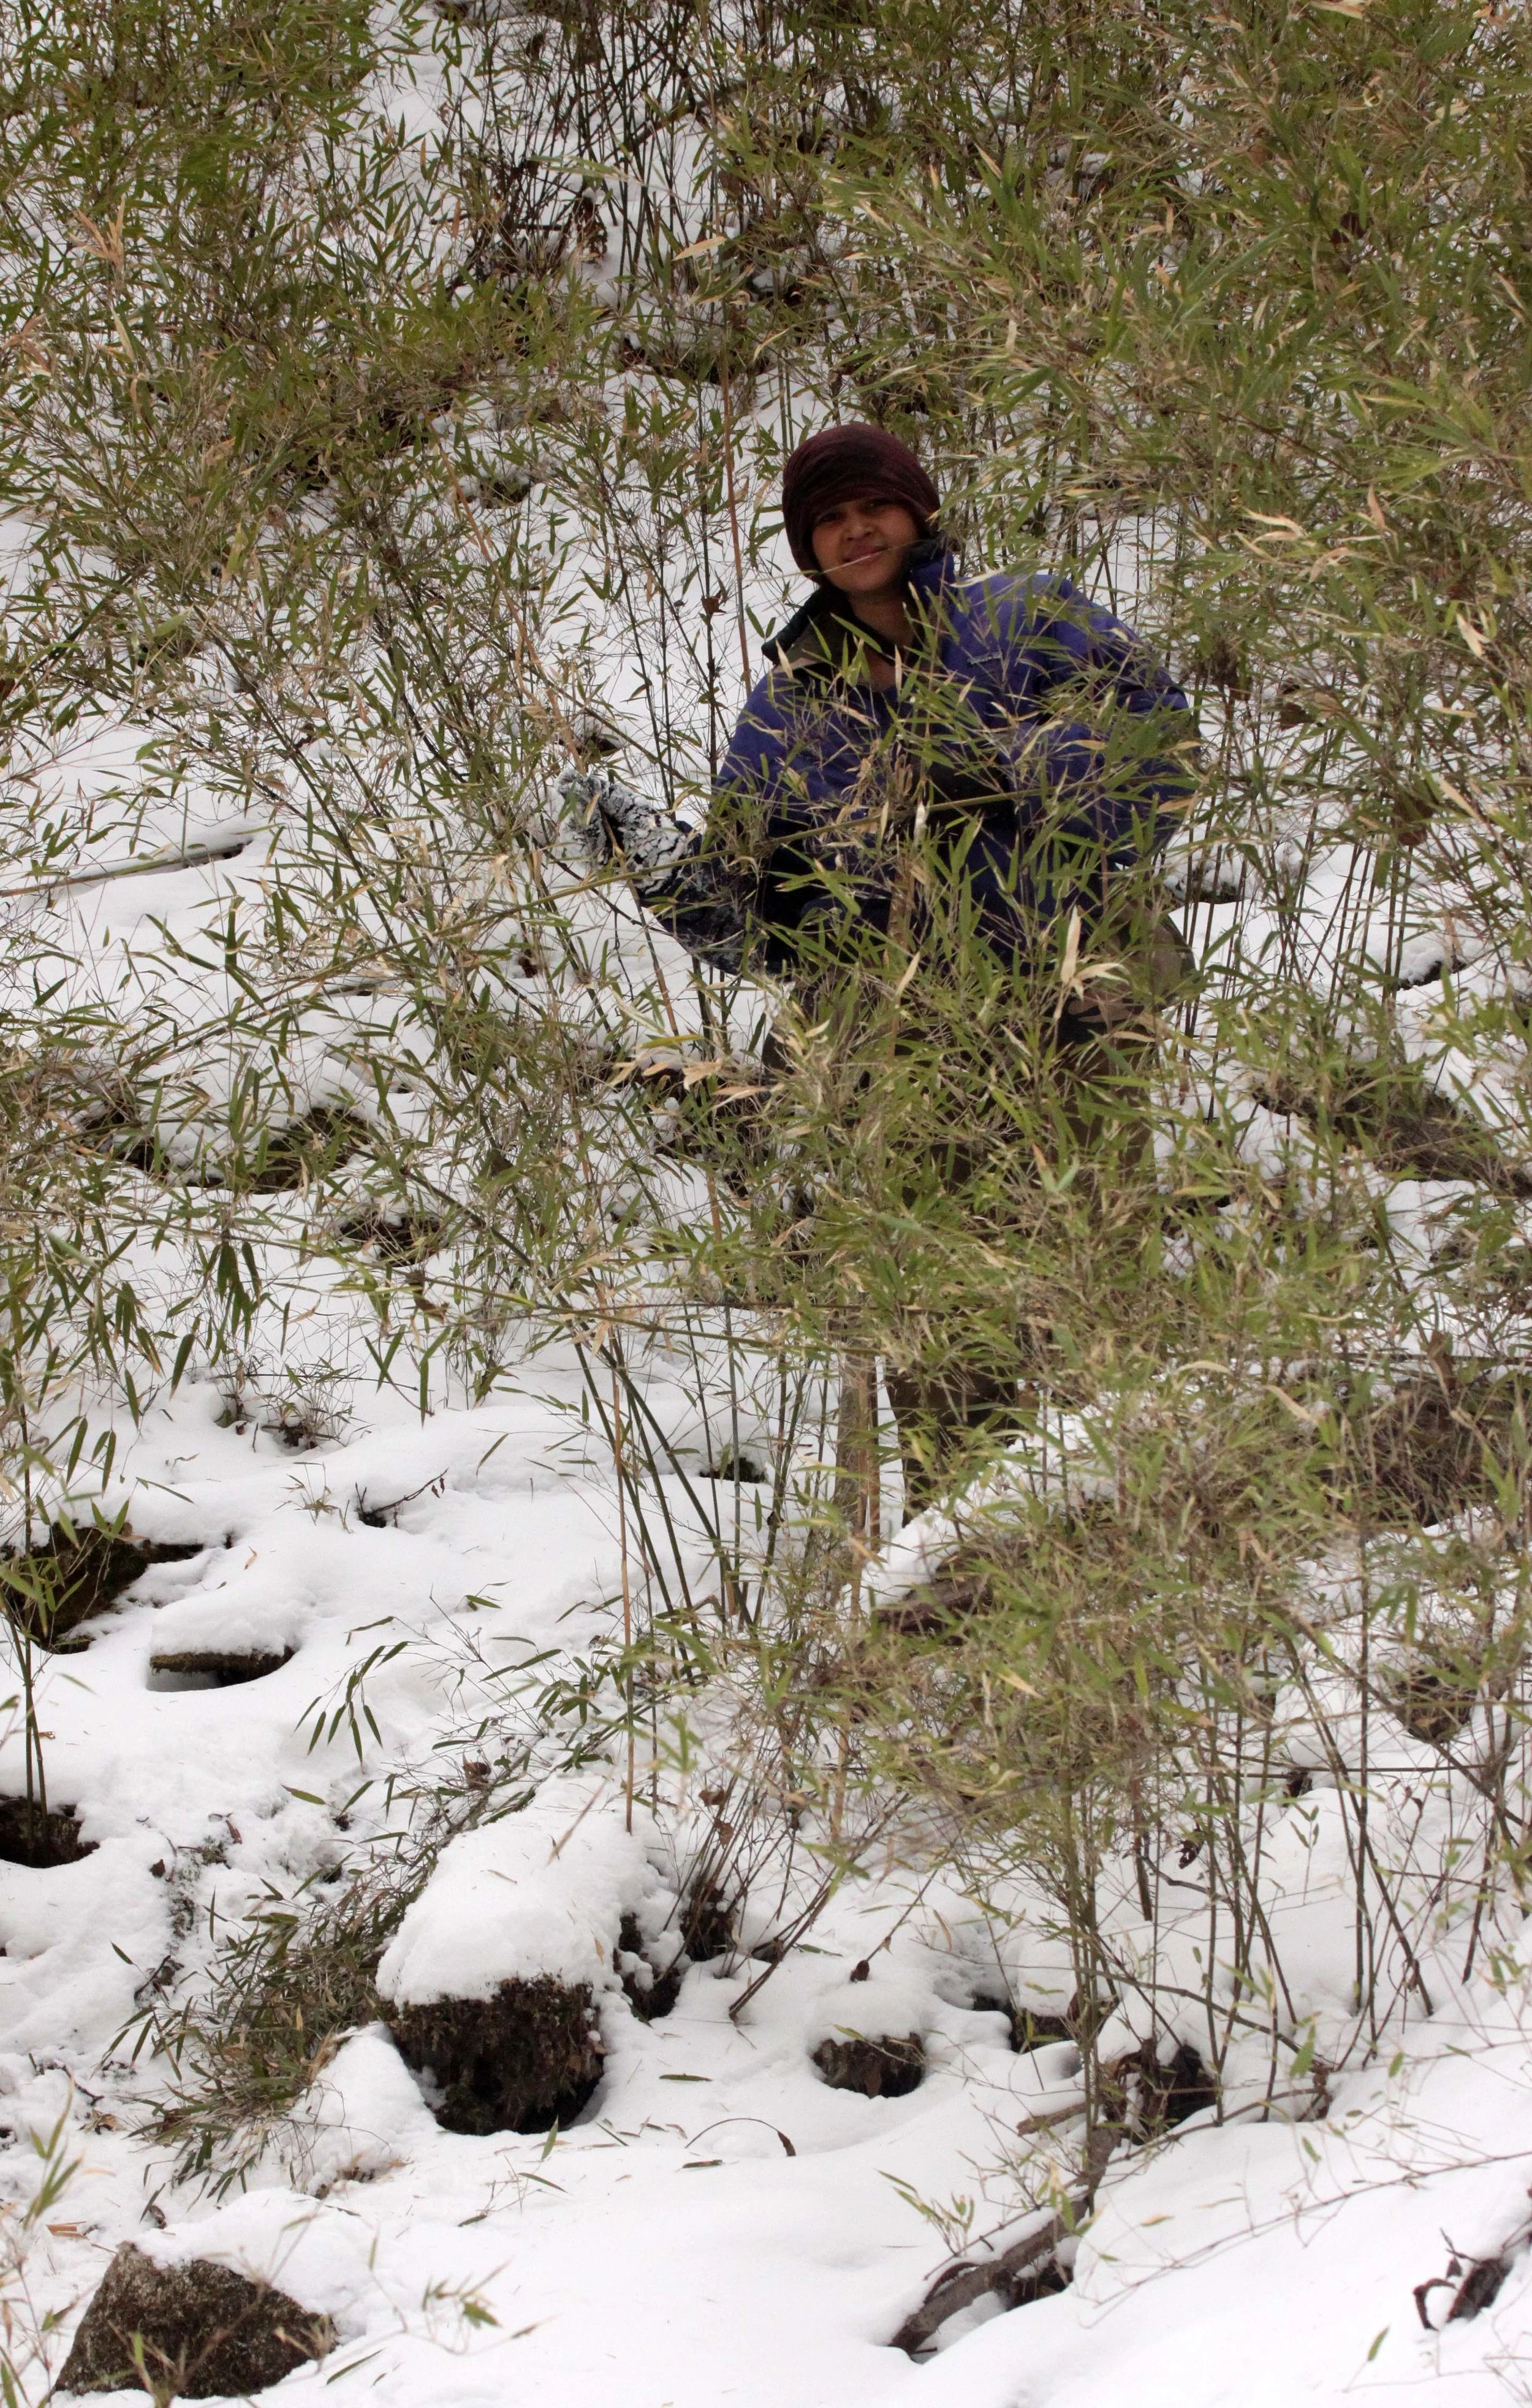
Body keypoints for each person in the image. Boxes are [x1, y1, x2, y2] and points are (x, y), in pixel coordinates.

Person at [563, 422, 1196, 1513]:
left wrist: (999, 769)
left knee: (1096, 1257)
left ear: (920, 511)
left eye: (874, 508)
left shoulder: (1025, 616)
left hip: (1073, 997)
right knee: (938, 1289)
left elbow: (1162, 750)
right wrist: (657, 867)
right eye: (828, 520)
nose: (856, 530)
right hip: (903, 1037)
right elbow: (748, 922)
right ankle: (961, 1529)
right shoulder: (792, 702)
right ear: (806, 550)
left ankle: (1130, 1512)